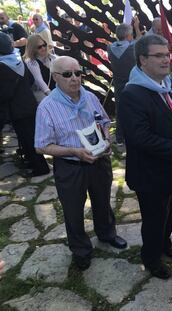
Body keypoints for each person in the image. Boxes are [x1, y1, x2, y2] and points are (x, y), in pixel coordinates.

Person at [34, 56, 127, 271]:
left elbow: (104, 121)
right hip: (70, 166)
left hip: (99, 161)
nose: (75, 78)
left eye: (78, 73)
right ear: (55, 77)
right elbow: (41, 146)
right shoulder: (46, 107)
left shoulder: (90, 97)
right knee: (73, 210)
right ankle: (81, 250)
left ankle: (107, 234)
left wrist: (105, 137)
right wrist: (73, 151)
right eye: (68, 74)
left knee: (103, 201)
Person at [119, 35, 172, 279]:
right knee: (154, 219)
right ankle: (151, 259)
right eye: (159, 55)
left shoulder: (167, 86)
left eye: (167, 54)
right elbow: (139, 137)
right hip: (150, 174)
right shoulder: (133, 94)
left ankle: (164, 244)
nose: (166, 60)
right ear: (143, 60)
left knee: (171, 212)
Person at [0, 32, 50, 177]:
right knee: (27, 136)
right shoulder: (17, 59)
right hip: (28, 103)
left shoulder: (3, 65)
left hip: (17, 108)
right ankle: (30, 160)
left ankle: (40, 167)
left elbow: (4, 93)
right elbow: (29, 80)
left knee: (27, 138)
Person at [107, 20, 141, 144]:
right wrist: (136, 27)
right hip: (133, 82)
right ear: (128, 36)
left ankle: (120, 137)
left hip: (118, 83)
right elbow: (141, 41)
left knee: (120, 109)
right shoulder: (133, 47)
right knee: (136, 109)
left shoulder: (110, 47)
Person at [24, 34, 56, 103]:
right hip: (43, 95)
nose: (43, 48)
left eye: (44, 45)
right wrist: (50, 94)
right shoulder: (31, 62)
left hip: (56, 91)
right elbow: (39, 80)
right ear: (33, 48)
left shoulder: (51, 57)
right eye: (39, 47)